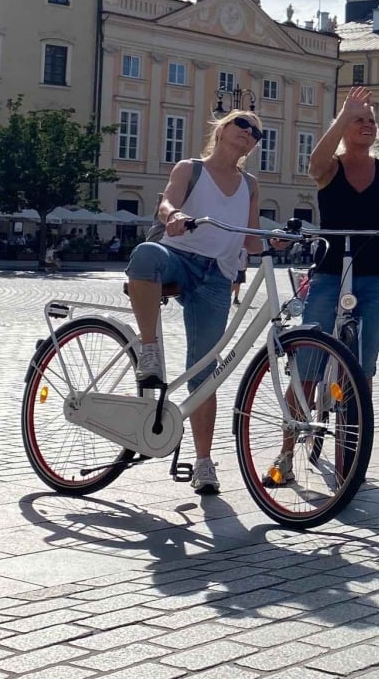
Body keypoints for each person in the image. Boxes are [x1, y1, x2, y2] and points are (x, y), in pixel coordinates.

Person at [125, 109, 264, 497]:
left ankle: (203, 462)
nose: (250, 134)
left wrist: (280, 240)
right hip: (178, 259)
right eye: (243, 125)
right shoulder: (192, 169)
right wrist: (175, 216)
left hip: (217, 276)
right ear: (222, 129)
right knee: (146, 256)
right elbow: (166, 203)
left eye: (257, 133)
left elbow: (251, 239)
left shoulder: (250, 184)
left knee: (206, 374)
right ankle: (149, 349)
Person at [301, 85, 379, 392]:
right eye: (358, 120)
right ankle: (290, 438)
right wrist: (343, 115)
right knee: (309, 361)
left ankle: (352, 437)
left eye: (370, 121)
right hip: (330, 270)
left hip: (377, 274)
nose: (366, 125)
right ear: (343, 127)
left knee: (362, 368)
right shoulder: (331, 168)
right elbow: (313, 166)